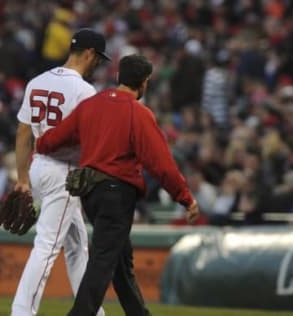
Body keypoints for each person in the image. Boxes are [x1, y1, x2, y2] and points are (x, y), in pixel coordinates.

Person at [36, 54, 200, 316]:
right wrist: (185, 197)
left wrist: (39, 143)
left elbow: (52, 139)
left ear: (118, 76)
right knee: (103, 260)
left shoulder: (91, 105)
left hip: (89, 193)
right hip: (116, 194)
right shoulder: (138, 113)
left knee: (120, 263)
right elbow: (161, 164)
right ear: (144, 83)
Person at [11, 29, 109, 316]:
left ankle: (93, 312)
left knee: (78, 245)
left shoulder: (37, 81)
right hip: (64, 172)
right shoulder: (84, 90)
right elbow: (90, 140)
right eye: (98, 59)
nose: (98, 65)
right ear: (89, 53)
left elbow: (22, 134)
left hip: (38, 167)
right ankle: (21, 312)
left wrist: (22, 180)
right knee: (47, 245)